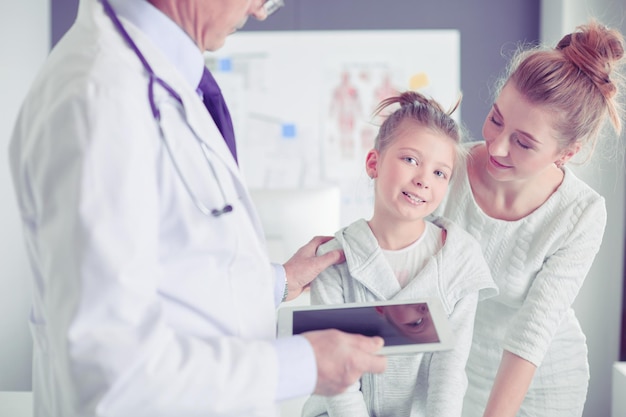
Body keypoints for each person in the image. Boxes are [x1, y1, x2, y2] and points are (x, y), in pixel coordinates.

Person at [7, 0, 387, 416]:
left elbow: (183, 267)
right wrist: (303, 364)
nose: (260, 11)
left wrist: (279, 282)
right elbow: (114, 374)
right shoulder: (99, 97)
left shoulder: (165, 78)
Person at [434, 20, 625, 417]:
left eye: (523, 142)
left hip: (541, 383)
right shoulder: (446, 171)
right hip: (454, 371)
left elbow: (532, 333)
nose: (497, 146)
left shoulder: (581, 213)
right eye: (496, 119)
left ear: (566, 153)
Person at [302, 91, 498, 417]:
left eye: (440, 173)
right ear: (373, 163)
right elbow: (339, 376)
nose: (423, 180)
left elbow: (448, 371)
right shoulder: (335, 259)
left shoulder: (459, 260)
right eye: (410, 160)